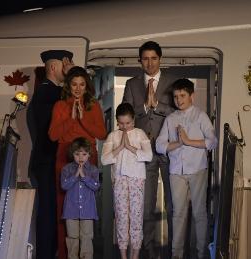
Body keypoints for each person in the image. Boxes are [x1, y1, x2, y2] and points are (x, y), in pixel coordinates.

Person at [122, 40, 176, 258]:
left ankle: (176, 249)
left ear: (160, 59)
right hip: (143, 152)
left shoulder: (173, 82)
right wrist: (144, 107)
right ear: (140, 61)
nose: (150, 63)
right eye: (145, 59)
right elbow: (125, 114)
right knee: (145, 204)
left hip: (170, 149)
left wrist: (157, 106)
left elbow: (179, 110)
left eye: (154, 58)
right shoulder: (132, 84)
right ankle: (148, 249)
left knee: (174, 202)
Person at [155, 78, 218, 259]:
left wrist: (189, 142)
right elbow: (159, 145)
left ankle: (202, 254)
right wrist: (177, 144)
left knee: (200, 213)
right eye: (175, 96)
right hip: (176, 172)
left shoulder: (200, 116)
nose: (179, 100)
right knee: (178, 214)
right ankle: (176, 255)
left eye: (182, 95)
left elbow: (212, 141)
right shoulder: (171, 118)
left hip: (198, 169)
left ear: (192, 96)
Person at [49, 66, 107, 259]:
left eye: (82, 84)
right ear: (68, 85)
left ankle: (87, 254)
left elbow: (101, 133)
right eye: (74, 84)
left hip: (88, 157)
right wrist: (70, 119)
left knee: (88, 205)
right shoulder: (60, 105)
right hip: (65, 156)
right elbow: (53, 135)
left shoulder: (94, 105)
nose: (78, 88)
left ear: (86, 86)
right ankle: (66, 254)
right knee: (64, 206)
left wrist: (83, 119)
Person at [27, 49, 74, 259]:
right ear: (54, 67)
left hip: (47, 163)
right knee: (48, 214)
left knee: (52, 212)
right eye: (64, 65)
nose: (67, 69)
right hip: (47, 163)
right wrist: (74, 74)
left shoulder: (50, 91)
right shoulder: (49, 92)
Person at [101, 103, 153, 259]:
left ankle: (135, 255)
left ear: (134, 121)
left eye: (128, 123)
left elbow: (148, 156)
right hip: (119, 180)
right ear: (117, 121)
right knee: (122, 218)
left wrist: (129, 147)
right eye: (121, 123)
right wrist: (120, 146)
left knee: (136, 218)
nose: (125, 127)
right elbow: (104, 159)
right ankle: (123, 255)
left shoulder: (140, 134)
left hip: (137, 180)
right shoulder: (113, 136)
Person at [61, 137, 100, 259]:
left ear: (89, 155)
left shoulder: (93, 169)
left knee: (87, 237)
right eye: (77, 154)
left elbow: (95, 186)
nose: (81, 157)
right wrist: (75, 175)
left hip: (88, 211)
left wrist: (83, 176)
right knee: (72, 238)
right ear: (72, 154)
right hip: (70, 211)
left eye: (84, 154)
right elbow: (64, 185)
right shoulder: (66, 169)